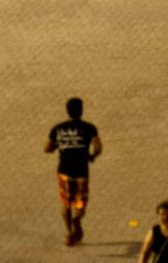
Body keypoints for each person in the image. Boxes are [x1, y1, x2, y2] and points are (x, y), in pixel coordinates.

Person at [45, 96, 102, 248]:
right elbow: (98, 148)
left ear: (67, 111)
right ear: (81, 111)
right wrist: (92, 156)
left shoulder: (58, 128)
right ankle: (77, 219)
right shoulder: (89, 128)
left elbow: (47, 148)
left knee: (65, 203)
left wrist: (61, 143)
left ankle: (69, 232)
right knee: (80, 204)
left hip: (64, 170)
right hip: (81, 171)